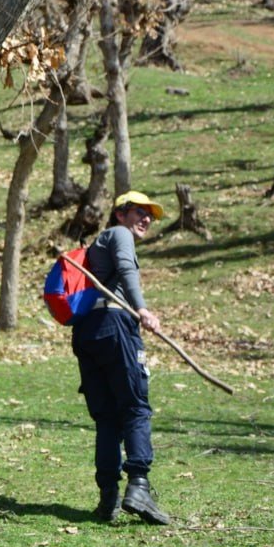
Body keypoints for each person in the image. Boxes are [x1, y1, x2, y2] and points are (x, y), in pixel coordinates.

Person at [72, 190, 171, 526]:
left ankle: (108, 497)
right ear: (120, 214)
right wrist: (142, 308)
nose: (146, 219)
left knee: (108, 417)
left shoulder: (99, 243)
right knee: (135, 407)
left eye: (150, 216)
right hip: (115, 325)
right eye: (139, 212)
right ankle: (139, 486)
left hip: (88, 330)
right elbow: (128, 269)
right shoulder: (119, 235)